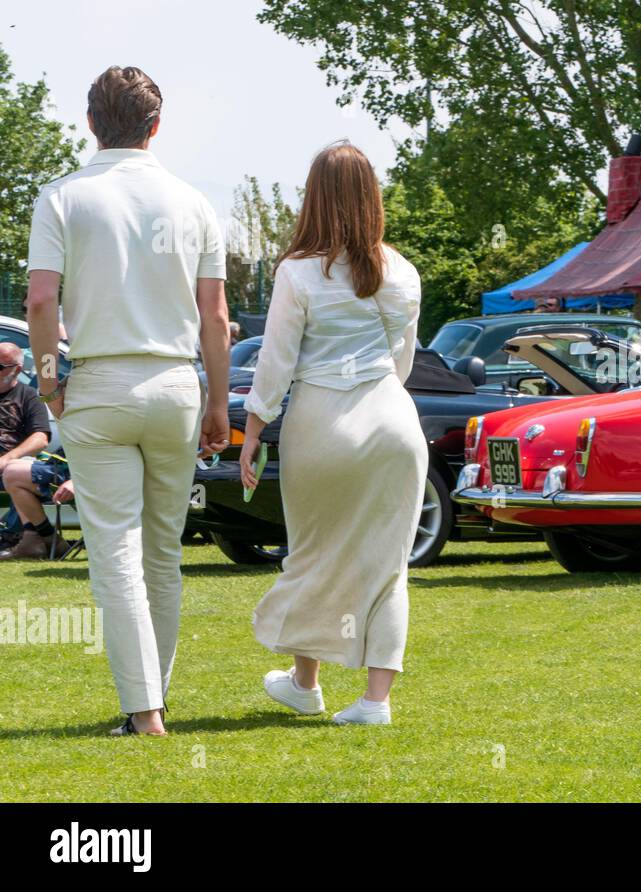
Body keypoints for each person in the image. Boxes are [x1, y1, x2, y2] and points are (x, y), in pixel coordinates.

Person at [26, 65, 231, 736]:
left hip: (99, 383)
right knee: (162, 555)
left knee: (114, 551)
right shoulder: (194, 202)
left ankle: (145, 712)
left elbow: (40, 300)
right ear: (156, 125)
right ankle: (152, 704)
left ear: (91, 122)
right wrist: (219, 404)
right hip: (176, 383)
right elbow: (214, 315)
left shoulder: (61, 196)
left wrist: (50, 379)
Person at [241, 142, 426, 726]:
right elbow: (403, 361)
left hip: (322, 423)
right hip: (394, 421)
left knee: (314, 553)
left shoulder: (297, 272)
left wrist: (253, 429)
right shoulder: (403, 271)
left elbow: (275, 362)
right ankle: (375, 700)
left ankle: (305, 681)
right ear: (373, 195)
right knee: (387, 564)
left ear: (314, 197)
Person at [0, 342, 70, 559]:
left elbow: (40, 438)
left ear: (17, 370)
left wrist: (7, 458)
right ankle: (36, 538)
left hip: (11, 462)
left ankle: (20, 535)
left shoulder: (28, 396)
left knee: (13, 471)